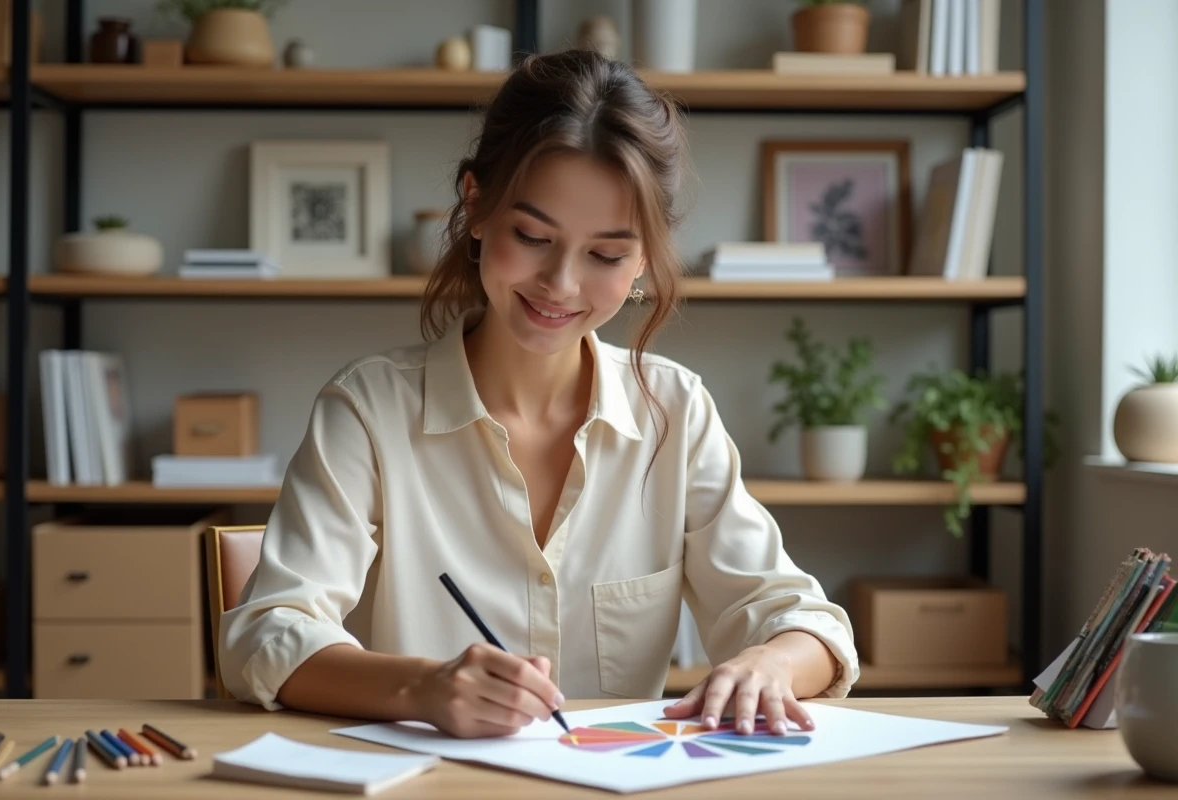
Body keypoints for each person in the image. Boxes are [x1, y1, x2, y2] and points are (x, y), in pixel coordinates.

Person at [219, 48, 859, 740]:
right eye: (532, 235)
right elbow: (266, 633)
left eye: (607, 255)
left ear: (644, 255)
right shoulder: (368, 410)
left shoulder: (675, 413)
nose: (561, 284)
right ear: (476, 207)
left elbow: (803, 619)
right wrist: (422, 687)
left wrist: (770, 661)